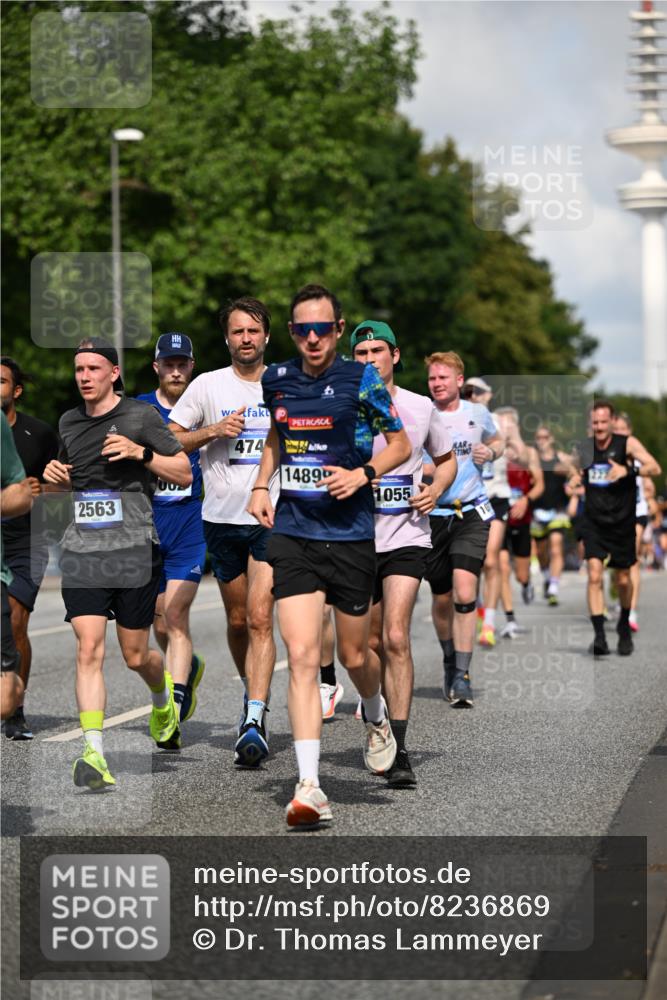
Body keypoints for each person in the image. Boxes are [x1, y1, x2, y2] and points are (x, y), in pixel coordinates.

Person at [248, 284, 411, 827]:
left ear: (338, 330)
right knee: (300, 656)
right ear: (292, 333)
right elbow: (276, 436)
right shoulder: (276, 379)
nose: (312, 338)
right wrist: (259, 486)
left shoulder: (360, 379)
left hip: (349, 533)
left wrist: (363, 473)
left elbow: (400, 445)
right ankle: (309, 784)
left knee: (356, 653)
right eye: (301, 329)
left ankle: (377, 713)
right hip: (294, 530)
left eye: (322, 328)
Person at [43, 338, 192, 789]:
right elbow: (62, 494)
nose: (84, 376)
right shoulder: (68, 422)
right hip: (83, 552)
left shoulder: (140, 417)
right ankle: (94, 752)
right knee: (88, 648)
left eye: (93, 368)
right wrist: (54, 482)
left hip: (133, 551)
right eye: (78, 369)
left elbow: (183, 470)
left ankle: (162, 697)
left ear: (114, 372)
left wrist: (140, 454)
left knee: (134, 655)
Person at [168, 297, 278, 766]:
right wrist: (213, 430)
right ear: (227, 338)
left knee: (259, 618)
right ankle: (249, 696)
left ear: (266, 336)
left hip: (272, 516)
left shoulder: (284, 383)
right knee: (237, 622)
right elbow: (169, 436)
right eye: (237, 332)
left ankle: (255, 716)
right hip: (221, 518)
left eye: (253, 331)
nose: (246, 339)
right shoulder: (208, 384)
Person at [352, 322, 456, 786]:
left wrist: (435, 489)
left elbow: (447, 458)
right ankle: (376, 721)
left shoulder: (420, 406)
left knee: (395, 636)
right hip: (354, 539)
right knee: (365, 646)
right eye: (360, 352)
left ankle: (399, 746)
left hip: (407, 535)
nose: (369, 358)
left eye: (377, 350)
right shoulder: (341, 405)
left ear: (395, 355)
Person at [424, 352, 504, 708]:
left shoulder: (478, 414)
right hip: (433, 515)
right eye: (432, 379)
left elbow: (499, 441)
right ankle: (448, 659)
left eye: (443, 377)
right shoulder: (421, 415)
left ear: (459, 381)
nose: (437, 383)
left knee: (464, 587)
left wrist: (492, 450)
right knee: (441, 599)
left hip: (471, 511)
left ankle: (464, 673)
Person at [136, 334, 206, 722]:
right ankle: (188, 665)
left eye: (182, 363)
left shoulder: (204, 409)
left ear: (191, 366)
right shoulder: (138, 410)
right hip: (148, 525)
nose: (175, 370)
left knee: (175, 614)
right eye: (169, 363)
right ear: (157, 367)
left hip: (187, 522)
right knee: (159, 619)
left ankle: (175, 708)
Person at [572, 400, 661, 658]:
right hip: (594, 522)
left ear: (612, 422)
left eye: (603, 422)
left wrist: (628, 469)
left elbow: (655, 467)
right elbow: (574, 470)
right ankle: (599, 635)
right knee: (594, 575)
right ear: (592, 423)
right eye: (595, 423)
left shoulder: (627, 444)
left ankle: (623, 624)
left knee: (623, 578)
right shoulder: (585, 447)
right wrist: (574, 477)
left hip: (622, 522)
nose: (599, 427)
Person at [1, 357, 59, 738]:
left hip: (27, 539)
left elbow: (64, 485)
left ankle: (16, 710)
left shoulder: (38, 433)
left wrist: (41, 491)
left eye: (2, 381)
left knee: (15, 618)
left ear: (16, 390)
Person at [496, 408, 544, 637]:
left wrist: (526, 499)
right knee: (502, 566)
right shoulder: (494, 451)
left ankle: (526, 584)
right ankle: (510, 618)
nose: (503, 429)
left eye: (507, 425)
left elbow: (540, 485)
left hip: (521, 516)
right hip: (500, 516)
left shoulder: (528, 453)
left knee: (521, 574)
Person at [1, 413, 32, 721]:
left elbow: (23, 494)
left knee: (4, 703)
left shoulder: (37, 432)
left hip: (25, 543)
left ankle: (16, 700)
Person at [613, 412, 651, 632]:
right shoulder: (606, 454)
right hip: (611, 516)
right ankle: (622, 600)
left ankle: (631, 612)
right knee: (618, 565)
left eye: (622, 430)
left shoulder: (636, 454)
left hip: (636, 511)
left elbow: (650, 475)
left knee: (631, 557)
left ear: (629, 432)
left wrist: (648, 487)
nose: (618, 434)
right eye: (615, 430)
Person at [531, 426, 574, 606]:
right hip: (537, 509)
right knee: (541, 551)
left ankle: (554, 588)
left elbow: (575, 475)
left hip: (558, 509)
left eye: (545, 437)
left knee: (556, 547)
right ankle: (548, 577)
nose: (542, 440)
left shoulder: (562, 457)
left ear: (552, 438)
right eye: (539, 437)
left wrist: (570, 484)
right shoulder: (533, 459)